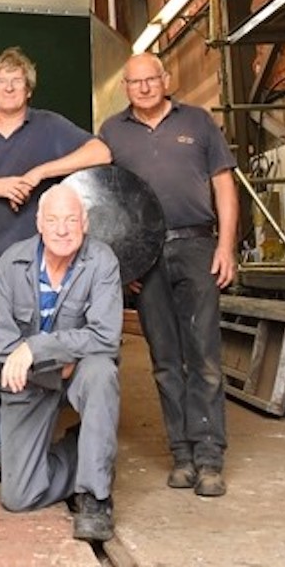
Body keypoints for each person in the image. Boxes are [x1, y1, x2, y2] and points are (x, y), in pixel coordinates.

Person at [0, 46, 111, 493]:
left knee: (22, 354)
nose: (8, 88)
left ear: (28, 89)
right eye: (1, 82)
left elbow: (101, 152)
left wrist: (39, 173)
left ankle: (23, 447)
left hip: (19, 270)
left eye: (16, 81)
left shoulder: (49, 126)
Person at [98, 52, 238, 498]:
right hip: (148, 254)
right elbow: (108, 199)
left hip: (197, 245)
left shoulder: (198, 122)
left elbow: (224, 185)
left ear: (166, 79)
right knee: (164, 360)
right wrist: (125, 261)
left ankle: (209, 456)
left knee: (205, 356)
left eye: (151, 79)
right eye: (135, 82)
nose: (144, 87)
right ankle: (181, 454)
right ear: (126, 87)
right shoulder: (113, 132)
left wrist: (226, 245)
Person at [0, 183, 122, 542]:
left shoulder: (102, 260)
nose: (63, 229)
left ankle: (94, 496)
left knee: (102, 373)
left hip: (80, 372)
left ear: (85, 223)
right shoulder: (11, 263)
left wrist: (38, 347)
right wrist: (51, 362)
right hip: (33, 378)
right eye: (54, 220)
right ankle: (84, 449)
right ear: (39, 224)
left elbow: (106, 335)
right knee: (18, 497)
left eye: (71, 219)